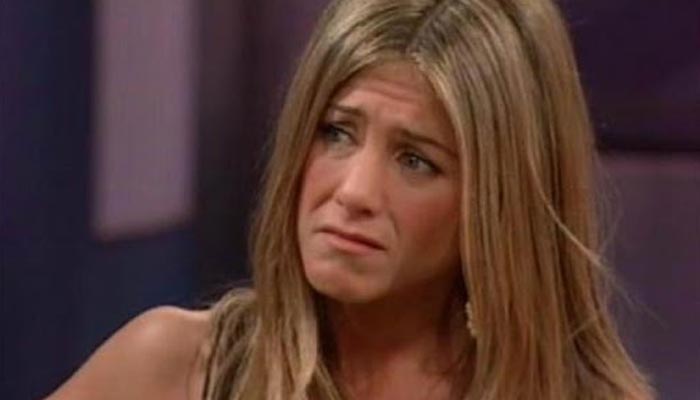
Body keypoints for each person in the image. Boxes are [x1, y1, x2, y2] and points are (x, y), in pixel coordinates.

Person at [46, 0, 655, 399]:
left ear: (499, 205)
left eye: (416, 161)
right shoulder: (176, 370)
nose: (354, 192)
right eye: (337, 132)